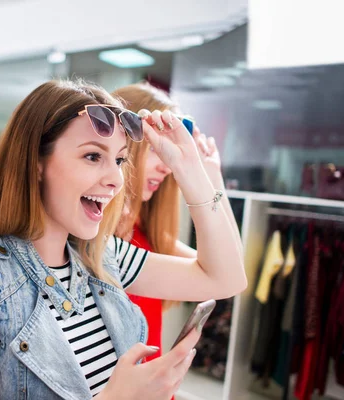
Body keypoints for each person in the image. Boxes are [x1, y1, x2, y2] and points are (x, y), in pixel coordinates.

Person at [0, 79, 247, 399]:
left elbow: (226, 279)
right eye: (93, 156)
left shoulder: (104, 255)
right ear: (36, 162)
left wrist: (188, 168)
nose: (116, 180)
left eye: (120, 160)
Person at [113, 83, 243, 360]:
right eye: (153, 148)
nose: (167, 166)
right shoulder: (97, 244)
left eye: (168, 152)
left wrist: (211, 177)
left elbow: (234, 269)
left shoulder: (147, 235)